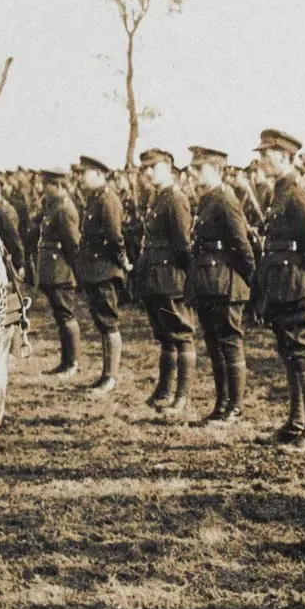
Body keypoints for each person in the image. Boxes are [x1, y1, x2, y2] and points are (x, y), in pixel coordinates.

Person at [252, 130, 305, 453]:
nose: (261, 159)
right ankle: (296, 423)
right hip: (282, 287)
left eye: (267, 153)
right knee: (289, 354)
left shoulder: (299, 192)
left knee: (303, 355)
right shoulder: (280, 191)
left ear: (284, 156)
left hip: (298, 287)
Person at [186, 146, 255, 426]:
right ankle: (222, 404)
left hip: (225, 281)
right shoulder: (207, 199)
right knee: (214, 344)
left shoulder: (225, 198)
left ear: (215, 169)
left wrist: (250, 278)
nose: (193, 173)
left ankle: (234, 408)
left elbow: (241, 243)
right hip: (208, 281)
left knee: (229, 343)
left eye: (199, 168)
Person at [133, 149, 197, 414]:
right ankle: (163, 391)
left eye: (153, 167)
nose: (148, 173)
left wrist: (184, 278)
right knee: (166, 336)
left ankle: (181, 397)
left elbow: (183, 245)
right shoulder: (157, 198)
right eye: (145, 168)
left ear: (168, 167)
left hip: (171, 278)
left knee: (181, 336)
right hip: (155, 278)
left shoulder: (175, 198)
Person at [71, 156, 129, 395]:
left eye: (85, 173)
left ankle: (111, 377)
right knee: (102, 323)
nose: (81, 177)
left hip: (105, 270)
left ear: (97, 173)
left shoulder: (108, 199)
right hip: (95, 271)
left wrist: (121, 262)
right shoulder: (96, 198)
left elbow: (115, 237)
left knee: (109, 323)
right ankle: (105, 375)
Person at [34, 168, 86, 379]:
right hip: (52, 270)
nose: (42, 189)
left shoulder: (64, 208)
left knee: (66, 315)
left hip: (61, 270)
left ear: (58, 185)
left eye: (46, 185)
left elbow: (73, 245)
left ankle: (72, 363)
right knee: (60, 316)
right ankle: (65, 362)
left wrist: (78, 273)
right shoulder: (53, 205)